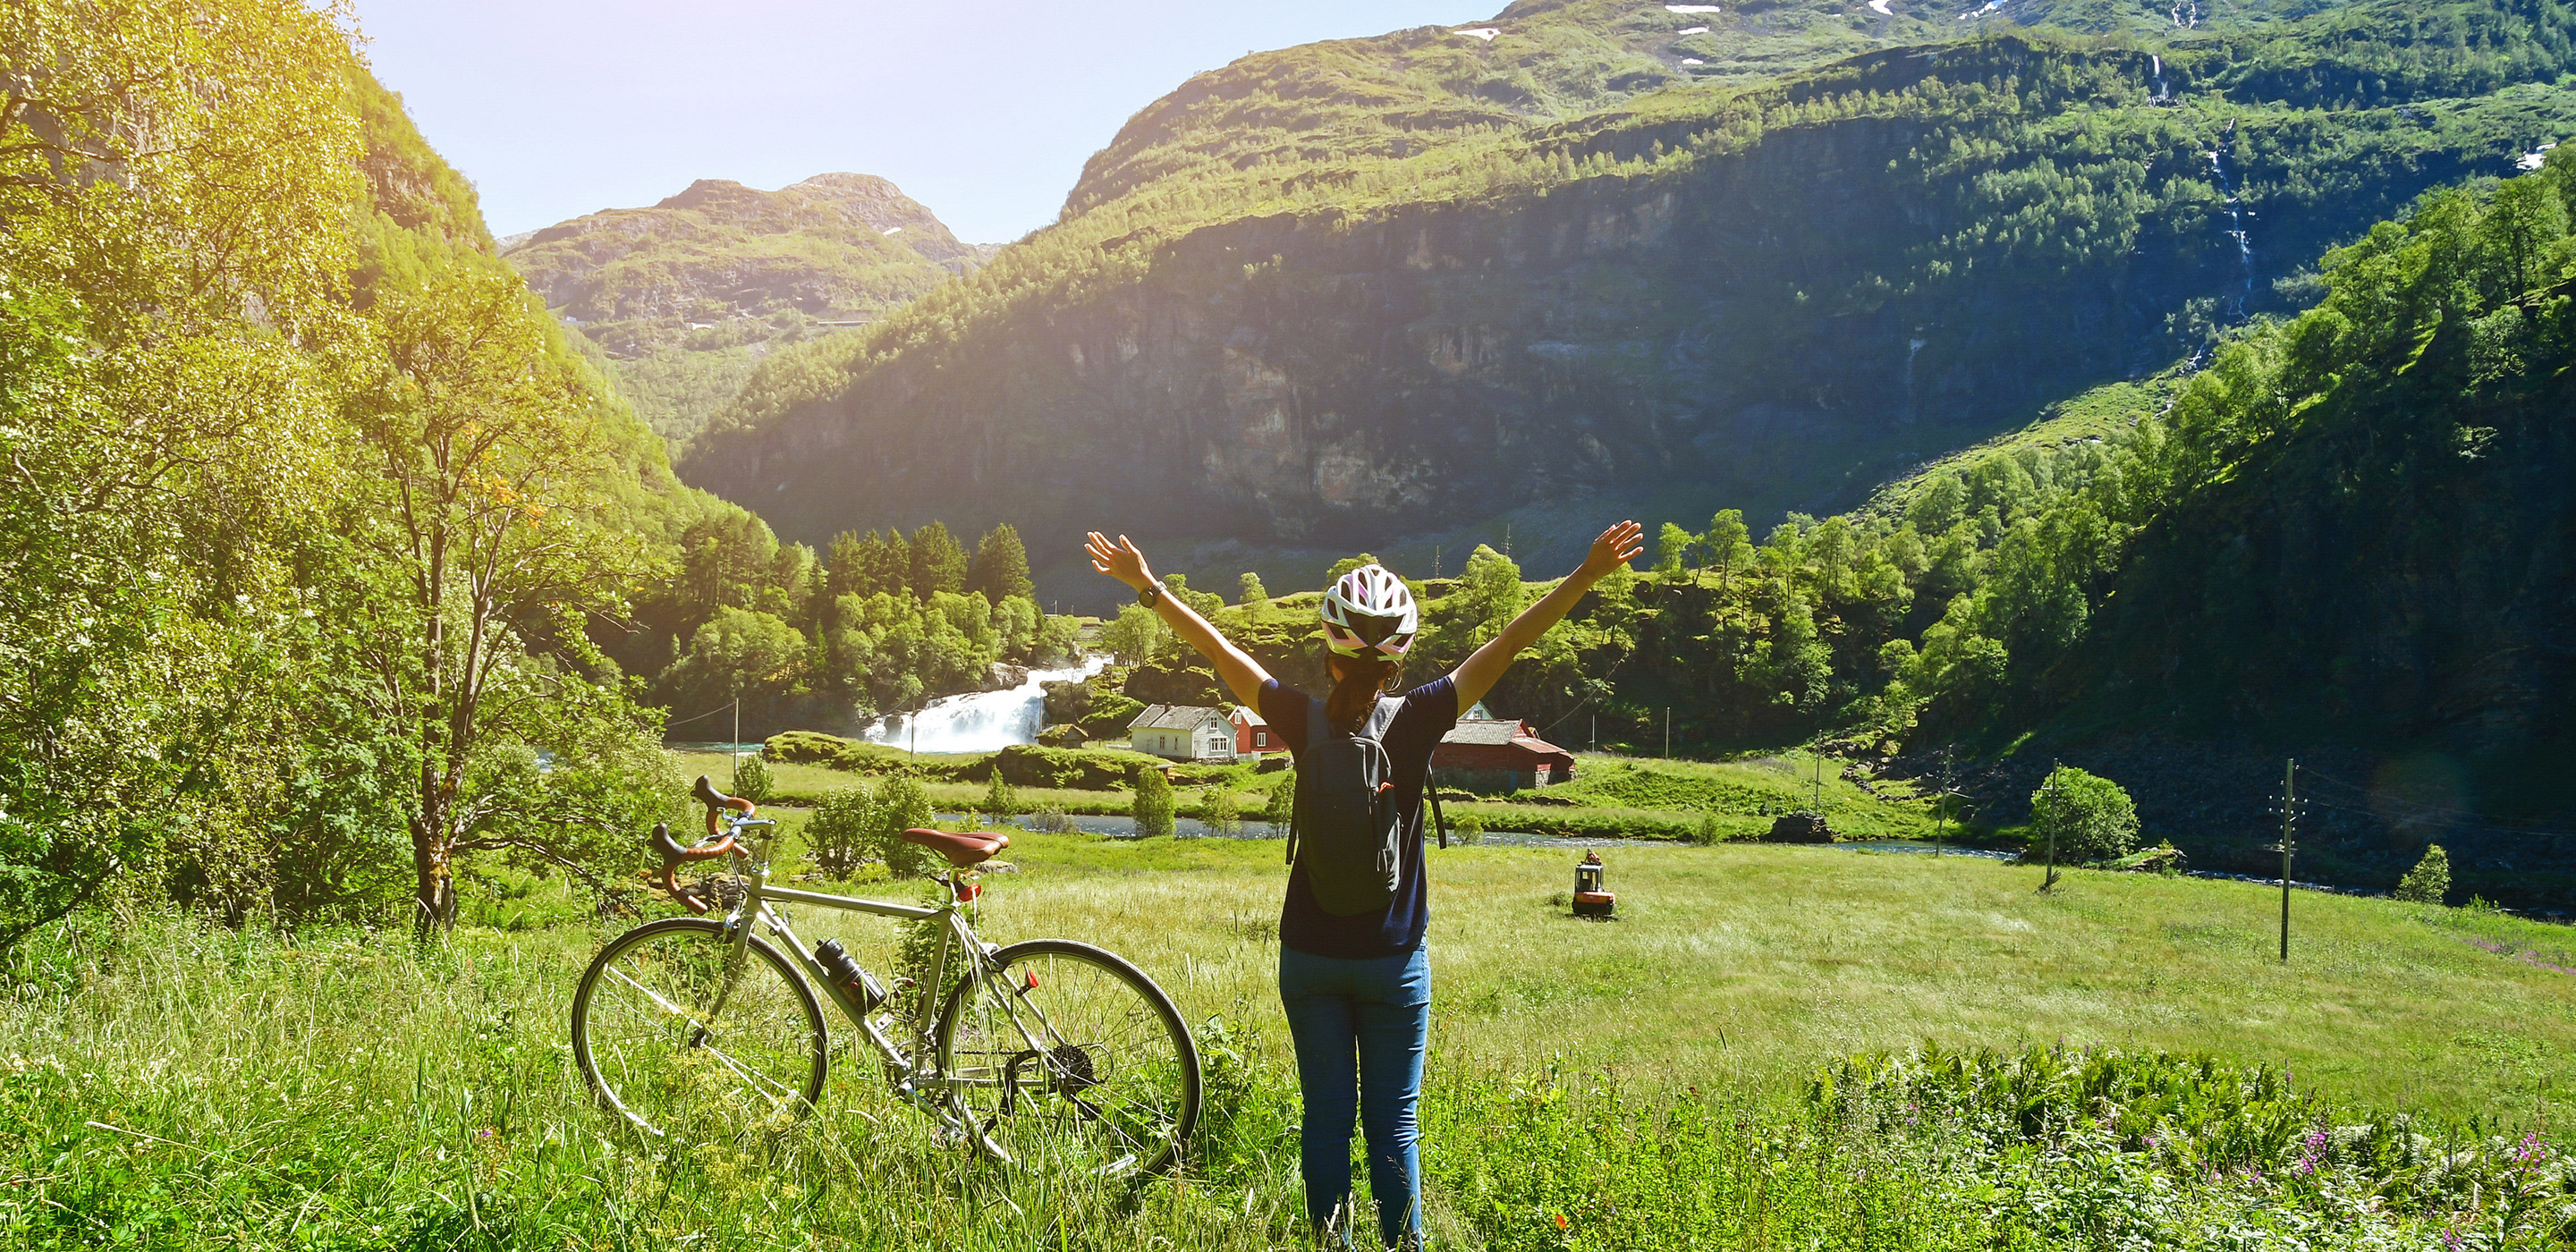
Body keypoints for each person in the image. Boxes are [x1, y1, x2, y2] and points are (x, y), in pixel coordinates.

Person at [1084, 520, 1644, 1248]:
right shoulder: (1420, 716)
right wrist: (1588, 573)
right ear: (1399, 659)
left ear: (1329, 651)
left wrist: (1147, 586)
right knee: (1394, 1125)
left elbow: (1219, 652)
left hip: (1310, 956)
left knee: (1326, 1119)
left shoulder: (1298, 717)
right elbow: (1509, 644)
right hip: (1393, 958)